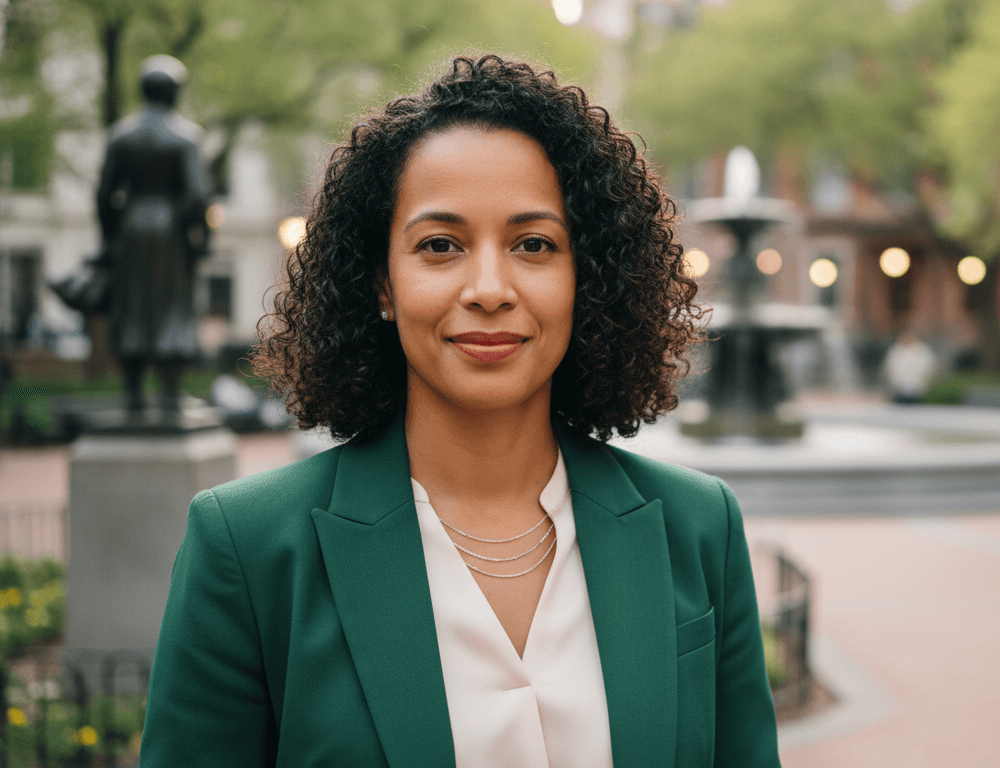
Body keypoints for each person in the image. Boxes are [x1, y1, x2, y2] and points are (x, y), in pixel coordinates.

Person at [141, 56, 781, 767]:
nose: (488, 288)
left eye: (533, 245)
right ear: (382, 283)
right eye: (439, 245)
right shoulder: (251, 547)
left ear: (586, 276)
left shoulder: (697, 528)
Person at [96, 55, 211, 413]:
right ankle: (170, 394)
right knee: (171, 306)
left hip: (131, 226)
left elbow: (103, 192)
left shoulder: (120, 134)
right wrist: (199, 237)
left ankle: (132, 394)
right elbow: (196, 194)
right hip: (169, 231)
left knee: (131, 307)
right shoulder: (186, 136)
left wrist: (110, 235)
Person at [882, 330, 937, 404]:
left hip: (920, 394)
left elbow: (930, 370)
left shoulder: (924, 351)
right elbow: (888, 371)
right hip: (898, 394)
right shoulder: (894, 351)